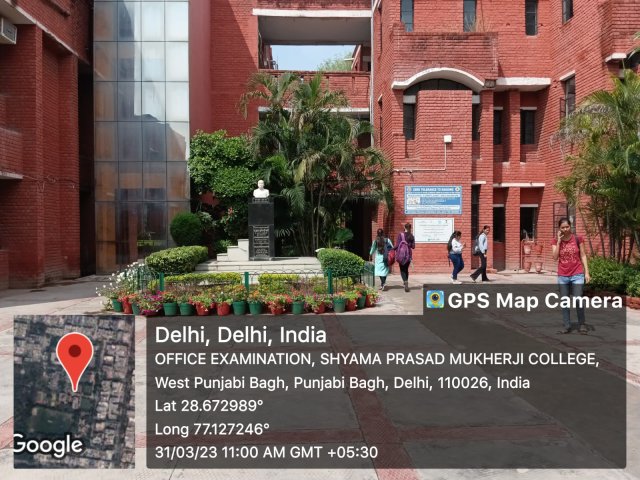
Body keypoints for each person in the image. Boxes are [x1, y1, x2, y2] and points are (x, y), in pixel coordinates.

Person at [551, 217, 591, 334]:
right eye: (562, 227)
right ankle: (567, 325)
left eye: (567, 227)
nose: (565, 229)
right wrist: (559, 242)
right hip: (563, 275)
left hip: (577, 274)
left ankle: (582, 324)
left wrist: (587, 272)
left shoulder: (578, 239)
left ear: (570, 226)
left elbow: (583, 255)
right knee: (565, 301)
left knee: (578, 298)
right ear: (559, 228)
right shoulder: (555, 241)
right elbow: (555, 257)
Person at [396, 223, 416, 292]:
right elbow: (413, 247)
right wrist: (408, 244)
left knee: (402, 269)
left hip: (401, 255)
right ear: (410, 228)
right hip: (408, 255)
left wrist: (392, 249)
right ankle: (406, 281)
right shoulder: (411, 236)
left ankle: (405, 281)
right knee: (406, 269)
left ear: (404, 227)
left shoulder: (401, 235)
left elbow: (397, 245)